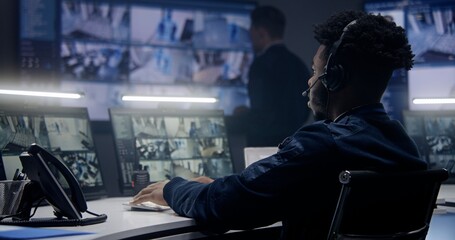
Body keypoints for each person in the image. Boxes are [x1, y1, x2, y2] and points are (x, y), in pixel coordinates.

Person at [131, 10, 428, 239]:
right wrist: (227, 186)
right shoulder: (403, 145)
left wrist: (173, 188)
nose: (311, 80)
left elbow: (222, 207)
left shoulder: (321, 144)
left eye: (316, 70)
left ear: (334, 77)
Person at [228, 5, 311, 147]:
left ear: (261, 33)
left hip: (264, 148)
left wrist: (235, 120)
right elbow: (304, 109)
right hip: (292, 145)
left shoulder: (261, 65)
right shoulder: (298, 64)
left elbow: (261, 115)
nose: (249, 34)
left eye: (251, 30)